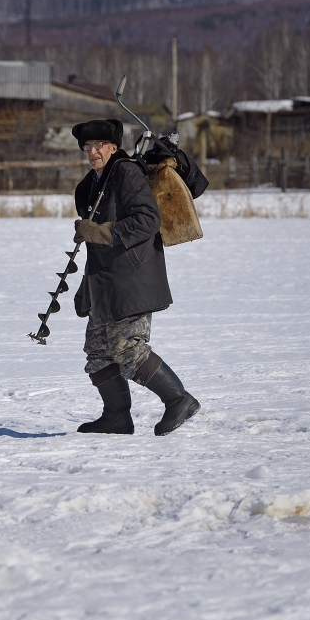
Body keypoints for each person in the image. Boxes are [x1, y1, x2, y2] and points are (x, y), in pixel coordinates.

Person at [70, 118, 200, 436]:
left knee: (128, 348)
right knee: (98, 349)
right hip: (104, 280)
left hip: (133, 275)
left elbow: (147, 219)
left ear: (114, 147)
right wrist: (85, 285)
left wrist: (102, 232)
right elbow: (95, 245)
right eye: (88, 146)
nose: (93, 151)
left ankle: (179, 401)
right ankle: (116, 416)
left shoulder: (126, 173)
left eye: (100, 145)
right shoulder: (88, 186)